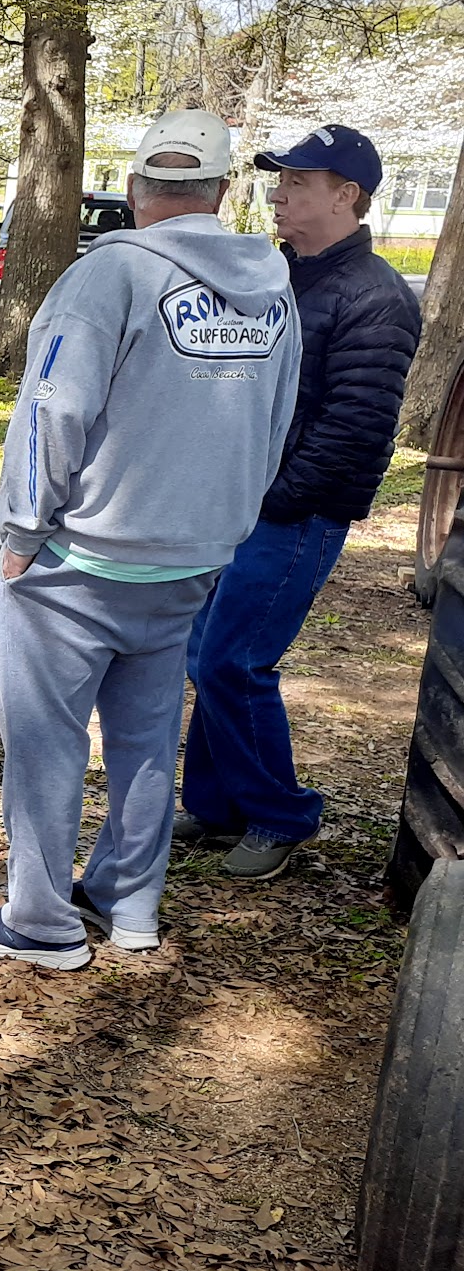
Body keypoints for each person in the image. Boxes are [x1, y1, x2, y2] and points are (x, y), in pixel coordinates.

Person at [0, 111, 302, 969]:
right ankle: (131, 906)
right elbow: (278, 417)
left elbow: (50, 410)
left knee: (45, 741)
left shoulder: (112, 275)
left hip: (80, 559)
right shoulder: (275, 286)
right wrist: (228, 522)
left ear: (138, 190)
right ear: (221, 193)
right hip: (192, 558)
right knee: (144, 742)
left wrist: (22, 529)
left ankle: (40, 923)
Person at [178, 125, 424, 879]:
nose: (278, 196)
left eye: (298, 184)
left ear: (345, 196)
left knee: (234, 660)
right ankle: (218, 808)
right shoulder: (274, 278)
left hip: (294, 514)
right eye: (278, 181)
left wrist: (275, 500)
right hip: (240, 504)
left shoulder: (375, 297)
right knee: (204, 656)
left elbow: (356, 428)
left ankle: (282, 816)